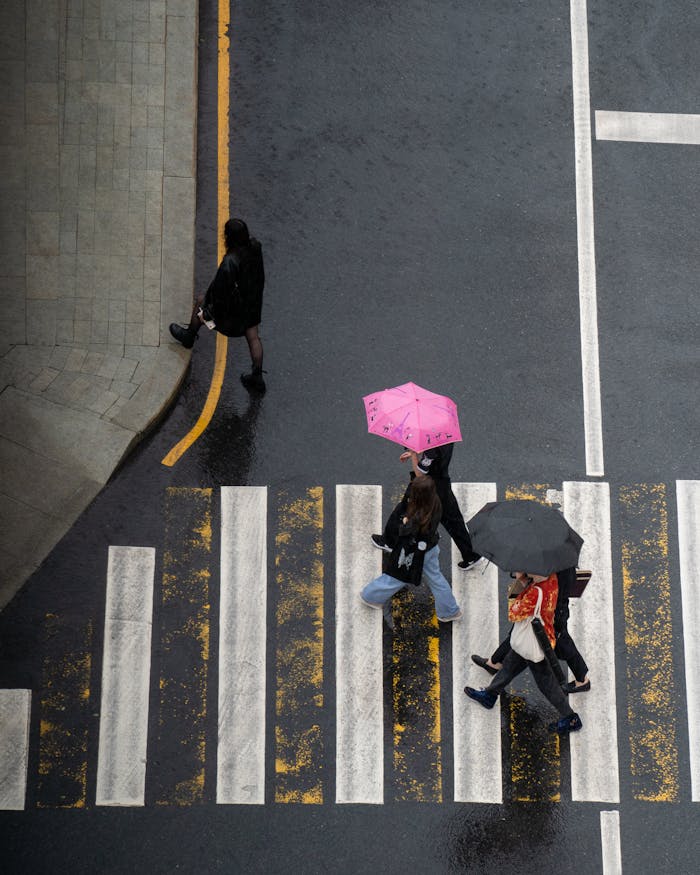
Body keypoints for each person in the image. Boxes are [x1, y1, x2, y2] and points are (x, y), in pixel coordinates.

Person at [464, 571, 583, 735]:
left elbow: (514, 613)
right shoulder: (552, 579)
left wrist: (520, 586)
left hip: (534, 642)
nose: (517, 571)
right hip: (540, 635)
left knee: (547, 684)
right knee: (510, 665)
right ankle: (490, 694)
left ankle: (571, 718)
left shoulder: (535, 592)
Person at [169, 217, 266, 392]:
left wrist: (207, 313)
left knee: (200, 301)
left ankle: (189, 337)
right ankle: (257, 377)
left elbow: (220, 295)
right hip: (251, 310)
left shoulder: (230, 262)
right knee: (253, 337)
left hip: (231, 318)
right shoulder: (255, 249)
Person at [470, 567, 590, 693]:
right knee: (521, 631)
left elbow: (514, 613)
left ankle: (582, 679)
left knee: (562, 643)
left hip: (551, 612)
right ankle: (495, 662)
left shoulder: (550, 574)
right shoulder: (561, 560)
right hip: (550, 608)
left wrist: (521, 580)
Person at [360, 475, 462, 623]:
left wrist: (405, 522)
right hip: (430, 549)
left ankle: (371, 595)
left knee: (398, 575)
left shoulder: (418, 514)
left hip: (414, 553)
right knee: (435, 578)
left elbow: (406, 533)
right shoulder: (435, 502)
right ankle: (448, 611)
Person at [371, 443, 482, 570]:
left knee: (402, 510)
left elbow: (420, 475)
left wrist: (413, 455)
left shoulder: (431, 450)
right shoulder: (445, 438)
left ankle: (389, 541)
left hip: (426, 487)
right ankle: (470, 555)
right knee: (454, 522)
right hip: (443, 485)